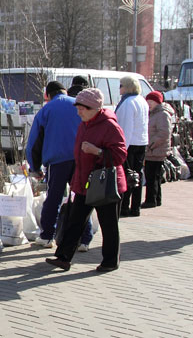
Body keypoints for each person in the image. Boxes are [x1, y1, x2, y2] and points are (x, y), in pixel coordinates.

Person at [46, 88, 127, 272]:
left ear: (95, 108)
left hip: (105, 183)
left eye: (83, 108)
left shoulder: (110, 126)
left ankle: (110, 261)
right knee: (75, 220)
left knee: (109, 225)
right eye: (78, 108)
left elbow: (120, 155)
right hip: (85, 182)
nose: (79, 112)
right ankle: (63, 257)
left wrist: (97, 151)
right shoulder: (84, 124)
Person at [26, 81, 79, 248]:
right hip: (80, 159)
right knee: (81, 198)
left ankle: (47, 236)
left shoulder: (46, 110)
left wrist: (35, 167)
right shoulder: (79, 104)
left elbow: (34, 143)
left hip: (57, 161)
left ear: (47, 95)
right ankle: (83, 239)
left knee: (53, 199)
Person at [66, 75, 93, 252]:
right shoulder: (90, 112)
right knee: (83, 201)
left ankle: (68, 242)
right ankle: (84, 239)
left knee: (74, 201)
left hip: (62, 159)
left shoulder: (66, 103)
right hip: (84, 163)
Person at [114, 75, 149, 217]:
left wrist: (122, 148)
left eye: (121, 86)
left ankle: (124, 206)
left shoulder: (128, 103)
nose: (119, 89)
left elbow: (126, 127)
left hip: (130, 143)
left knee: (127, 176)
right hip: (141, 141)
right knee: (137, 175)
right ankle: (135, 207)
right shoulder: (142, 101)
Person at [142, 91, 172, 208]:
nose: (149, 104)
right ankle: (156, 199)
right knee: (154, 176)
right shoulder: (153, 113)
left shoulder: (162, 114)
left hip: (156, 150)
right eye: (147, 101)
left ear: (157, 102)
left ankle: (151, 200)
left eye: (151, 102)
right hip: (153, 150)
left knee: (152, 176)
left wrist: (150, 145)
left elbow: (164, 133)